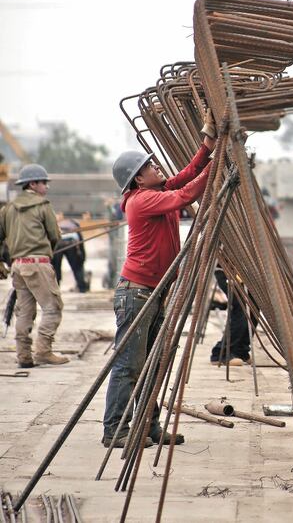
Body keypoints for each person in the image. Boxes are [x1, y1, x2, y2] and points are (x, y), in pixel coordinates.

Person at [102, 122, 215, 449]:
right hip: (136, 294)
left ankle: (148, 425)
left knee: (153, 363)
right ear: (137, 178)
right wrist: (219, 165)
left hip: (154, 291)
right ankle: (115, 430)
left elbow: (182, 178)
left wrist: (207, 149)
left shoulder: (156, 191)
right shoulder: (141, 200)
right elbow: (186, 193)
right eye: (150, 166)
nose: (157, 167)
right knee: (130, 365)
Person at [0, 164, 69, 367]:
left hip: (18, 266)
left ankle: (23, 355)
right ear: (33, 184)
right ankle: (43, 351)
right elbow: (55, 236)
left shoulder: (8, 209)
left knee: (25, 311)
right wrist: (48, 250)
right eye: (43, 183)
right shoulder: (42, 205)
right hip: (38, 264)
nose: (46, 187)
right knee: (53, 308)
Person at [209, 268, 252, 367]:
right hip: (228, 268)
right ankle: (222, 352)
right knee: (241, 307)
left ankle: (240, 349)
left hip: (248, 270)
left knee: (254, 307)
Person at [52, 215, 89, 293]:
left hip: (59, 242)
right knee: (77, 266)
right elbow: (80, 240)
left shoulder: (55, 223)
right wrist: (82, 257)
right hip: (72, 242)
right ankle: (82, 287)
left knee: (56, 267)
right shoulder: (74, 223)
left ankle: (55, 288)